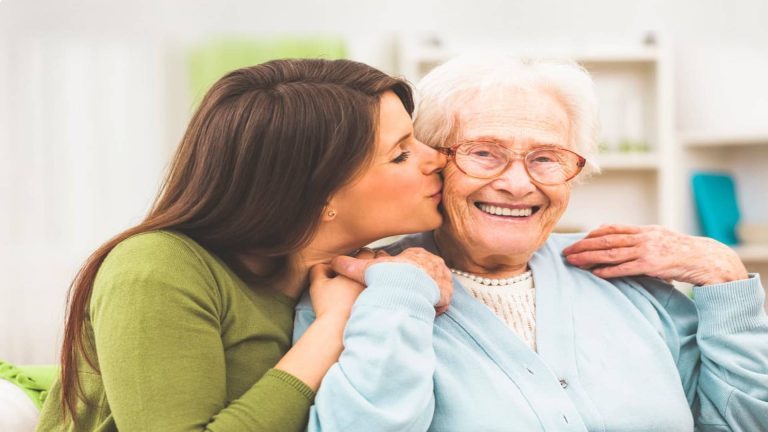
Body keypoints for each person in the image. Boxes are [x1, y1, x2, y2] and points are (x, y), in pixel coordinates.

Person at [294, 54, 768, 431]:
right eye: (484, 153)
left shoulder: (634, 283)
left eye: (546, 158)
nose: (518, 185)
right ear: (433, 162)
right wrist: (403, 296)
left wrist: (727, 283)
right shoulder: (361, 292)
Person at [35, 58, 452, 431]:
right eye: (400, 154)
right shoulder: (155, 267)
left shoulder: (373, 281)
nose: (437, 158)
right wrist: (330, 328)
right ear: (316, 195)